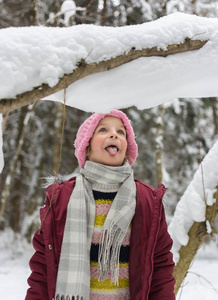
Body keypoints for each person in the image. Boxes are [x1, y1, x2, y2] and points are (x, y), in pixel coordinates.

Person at [25, 109, 175, 300]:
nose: (114, 134)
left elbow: (161, 264)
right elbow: (42, 265)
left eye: (121, 132)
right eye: (103, 130)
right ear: (86, 148)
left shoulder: (145, 200)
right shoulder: (63, 199)